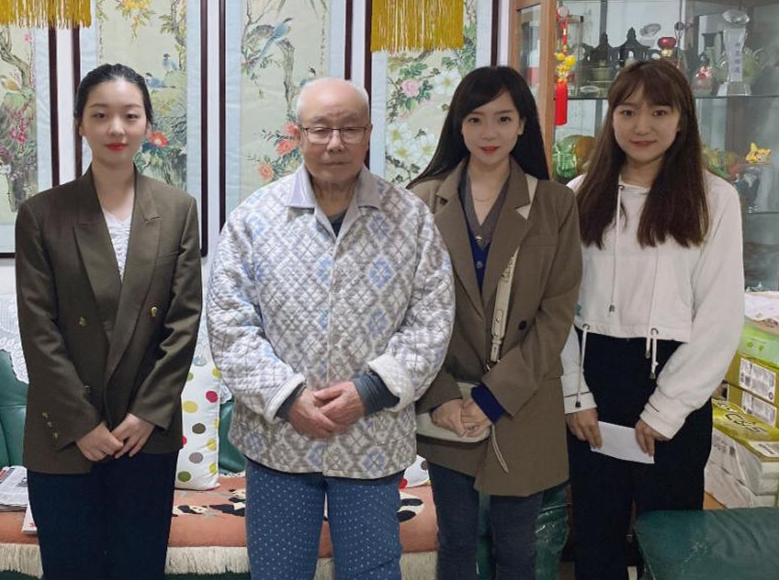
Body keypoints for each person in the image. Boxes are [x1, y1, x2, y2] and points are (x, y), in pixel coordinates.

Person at [208, 77, 455, 579]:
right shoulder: (255, 218)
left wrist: (369, 391)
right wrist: (287, 398)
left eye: (349, 129)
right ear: (298, 134)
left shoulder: (409, 218)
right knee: (277, 573)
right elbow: (229, 324)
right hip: (278, 439)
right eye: (320, 129)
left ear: (368, 134)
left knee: (372, 572)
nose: (335, 143)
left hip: (372, 436)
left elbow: (432, 321)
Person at [15, 63, 201, 580]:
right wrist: (82, 424)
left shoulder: (178, 209)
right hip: (64, 434)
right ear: (80, 123)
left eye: (130, 115)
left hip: (145, 433)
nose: (116, 128)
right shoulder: (42, 214)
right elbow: (39, 329)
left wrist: (147, 414)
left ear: (147, 124)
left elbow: (184, 322)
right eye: (100, 115)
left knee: (139, 567)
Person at [563, 60, 743, 579]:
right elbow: (555, 308)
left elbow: (720, 316)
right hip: (594, 383)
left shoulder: (714, 199)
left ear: (682, 120)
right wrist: (574, 394)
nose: (642, 126)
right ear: (611, 118)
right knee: (595, 535)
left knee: (671, 543)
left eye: (659, 112)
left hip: (675, 382)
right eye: (628, 111)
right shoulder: (578, 194)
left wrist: (667, 409)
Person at [407, 66, 582, 580]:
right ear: (458, 125)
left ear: (523, 124)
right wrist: (439, 395)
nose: (490, 132)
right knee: (456, 543)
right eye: (476, 119)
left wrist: (493, 397)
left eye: (504, 118)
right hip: (447, 403)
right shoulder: (421, 200)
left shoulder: (555, 203)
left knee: (518, 550)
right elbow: (405, 312)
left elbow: (556, 314)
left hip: (521, 401)